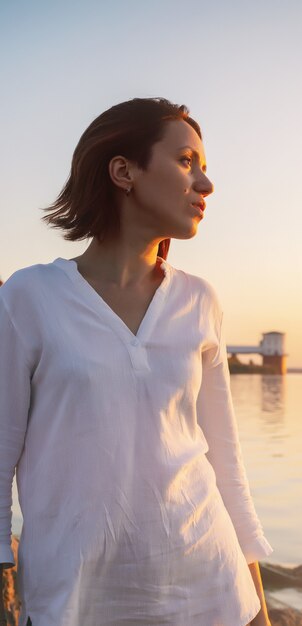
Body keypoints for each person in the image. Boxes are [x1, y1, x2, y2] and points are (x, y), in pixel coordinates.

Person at [0, 97, 273, 626]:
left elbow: (226, 465)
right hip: (74, 600)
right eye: (186, 161)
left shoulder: (200, 301)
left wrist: (258, 607)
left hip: (212, 592)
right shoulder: (29, 296)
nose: (206, 186)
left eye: (205, 169)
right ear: (124, 171)